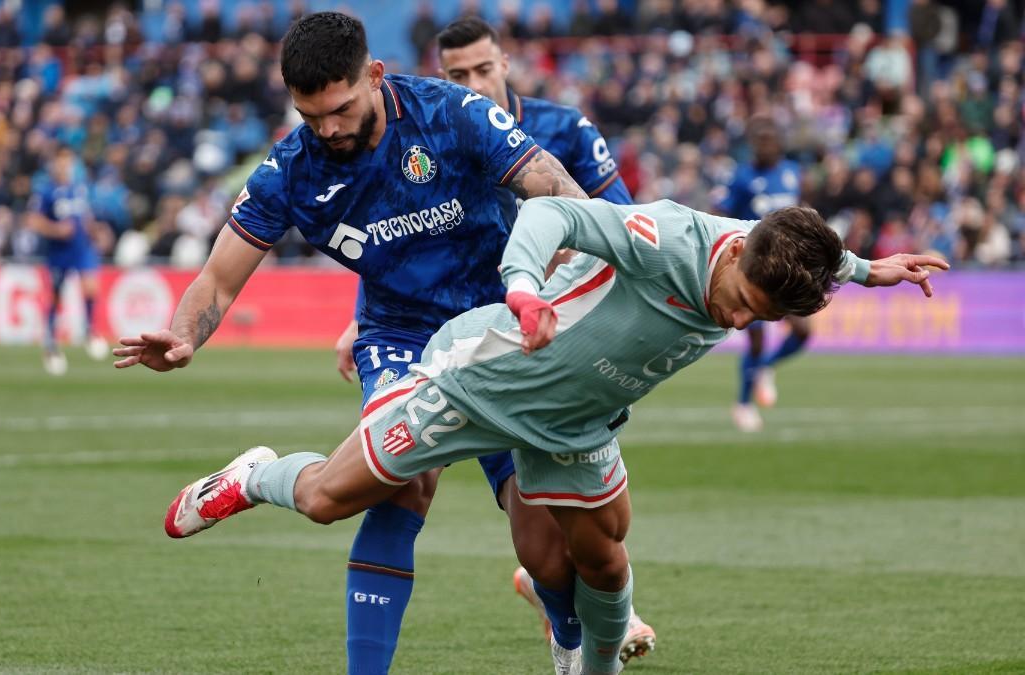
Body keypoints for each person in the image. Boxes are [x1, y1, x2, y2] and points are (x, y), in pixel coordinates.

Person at [161, 197, 947, 675]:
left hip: (574, 422)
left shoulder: (774, 252)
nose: (739, 320)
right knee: (328, 498)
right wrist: (526, 288)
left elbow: (824, 253)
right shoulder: (672, 237)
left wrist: (876, 269)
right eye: (743, 300)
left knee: (592, 559)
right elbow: (554, 214)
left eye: (762, 318)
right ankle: (253, 474)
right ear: (735, 253)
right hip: (479, 380)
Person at [112, 12, 590, 675]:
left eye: (340, 109)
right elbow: (218, 279)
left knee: (543, 539)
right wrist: (185, 334)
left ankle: (570, 641)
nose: (330, 129)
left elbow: (558, 192)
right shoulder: (291, 170)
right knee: (400, 482)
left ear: (374, 74)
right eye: (313, 117)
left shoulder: (451, 114)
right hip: (402, 337)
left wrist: (561, 279)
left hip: (499, 325)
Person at [330, 16, 653, 669]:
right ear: (440, 76)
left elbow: (621, 225)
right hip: (436, 333)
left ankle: (565, 609)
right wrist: (365, 317)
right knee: (401, 479)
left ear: (506, 63)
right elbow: (395, 229)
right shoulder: (429, 126)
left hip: (533, 343)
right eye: (457, 76)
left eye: (484, 69)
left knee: (552, 541)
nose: (473, 83)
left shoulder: (562, 131)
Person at [717, 117, 805, 432]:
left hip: (789, 265)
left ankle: (765, 368)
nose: (765, 145)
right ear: (752, 143)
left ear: (779, 142)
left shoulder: (793, 172)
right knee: (755, 339)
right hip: (753, 267)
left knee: (803, 331)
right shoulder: (741, 177)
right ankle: (743, 404)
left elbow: (801, 212)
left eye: (770, 139)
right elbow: (722, 214)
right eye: (760, 140)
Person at [27, 147, 108, 375]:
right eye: (61, 162)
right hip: (58, 251)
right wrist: (56, 229)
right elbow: (34, 221)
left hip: (81, 248)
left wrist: (94, 231)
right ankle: (51, 343)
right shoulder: (45, 192)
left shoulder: (79, 189)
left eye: (68, 162)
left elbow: (85, 216)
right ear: (54, 165)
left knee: (91, 286)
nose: (65, 166)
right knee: (55, 295)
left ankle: (90, 330)